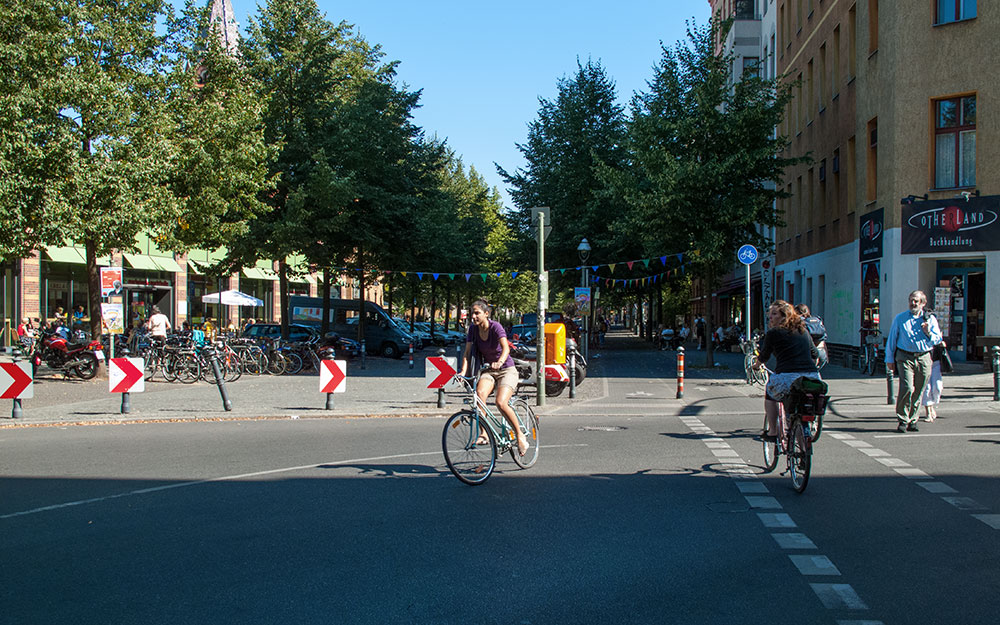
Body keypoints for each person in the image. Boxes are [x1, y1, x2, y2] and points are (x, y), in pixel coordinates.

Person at [458, 299, 528, 456]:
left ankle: (519, 434)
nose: (473, 317)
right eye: (472, 314)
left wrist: (500, 362)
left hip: (506, 369)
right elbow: (467, 353)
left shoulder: (496, 327)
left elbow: (505, 348)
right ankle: (484, 434)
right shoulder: (473, 330)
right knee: (479, 395)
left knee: (500, 402)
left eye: (477, 313)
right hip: (489, 370)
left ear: (486, 313)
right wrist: (463, 372)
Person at [752, 300, 821, 442]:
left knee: (770, 394)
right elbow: (815, 354)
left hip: (787, 377)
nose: (770, 317)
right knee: (799, 409)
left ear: (785, 316)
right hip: (811, 377)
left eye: (774, 314)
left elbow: (764, 355)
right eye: (769, 314)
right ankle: (803, 451)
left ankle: (773, 431)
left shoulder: (774, 333)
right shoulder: (803, 331)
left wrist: (756, 365)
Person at [885, 290, 942, 433]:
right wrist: (889, 358)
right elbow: (892, 338)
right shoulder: (900, 318)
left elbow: (937, 339)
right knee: (907, 387)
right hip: (905, 356)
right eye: (911, 300)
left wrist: (928, 332)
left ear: (923, 303)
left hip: (923, 356)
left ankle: (913, 419)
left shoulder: (930, 319)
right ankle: (903, 419)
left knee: (919, 388)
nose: (913, 303)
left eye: (916, 301)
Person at [794, 304, 828, 369]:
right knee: (813, 373)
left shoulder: (799, 322)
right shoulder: (817, 320)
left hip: (808, 353)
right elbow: (823, 337)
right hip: (821, 352)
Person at [921, 339, 947, 422]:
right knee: (927, 388)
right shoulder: (920, 334)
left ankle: (932, 405)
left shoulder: (934, 332)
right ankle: (928, 412)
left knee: (937, 387)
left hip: (936, 362)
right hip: (924, 362)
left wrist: (943, 344)